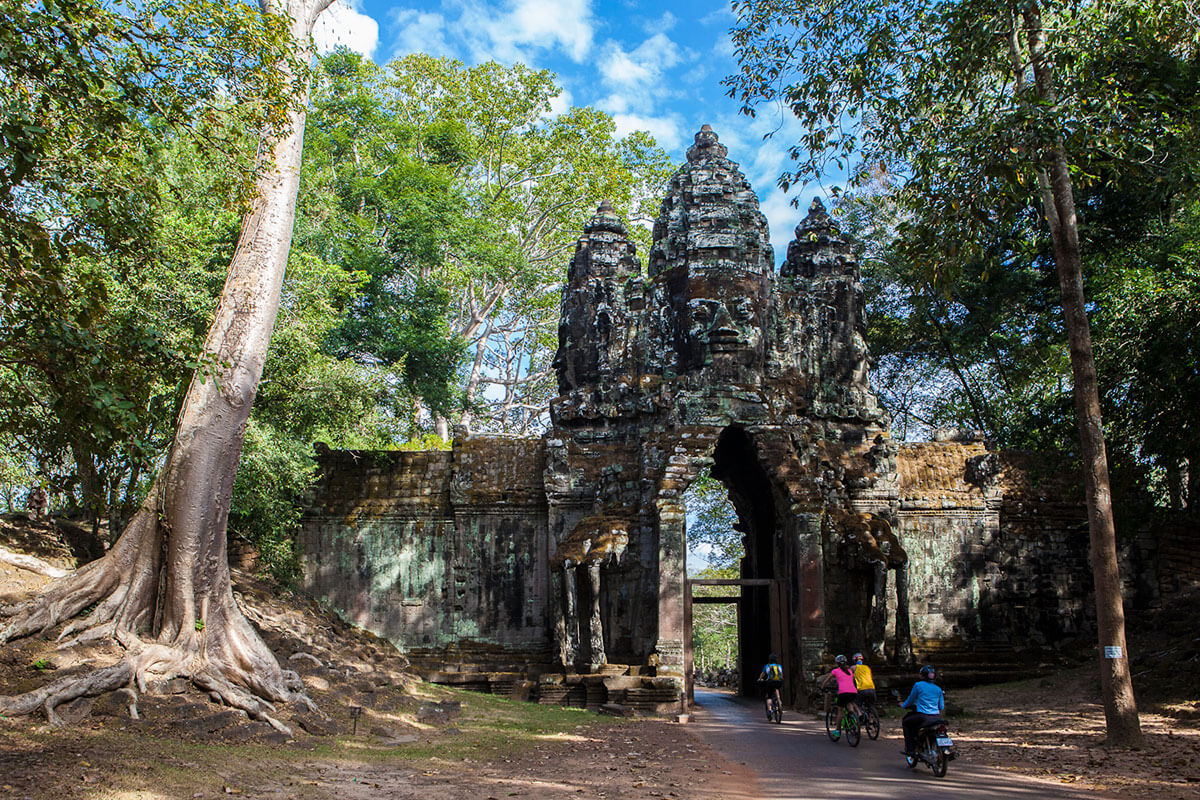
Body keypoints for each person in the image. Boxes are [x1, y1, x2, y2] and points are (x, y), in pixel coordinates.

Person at [900, 664, 946, 755]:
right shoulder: (938, 689)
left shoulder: (918, 685)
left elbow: (910, 700)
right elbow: (941, 707)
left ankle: (910, 749)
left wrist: (903, 705)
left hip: (923, 716)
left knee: (906, 722)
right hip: (936, 717)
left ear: (922, 675)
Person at [820, 654, 860, 720]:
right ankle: (853, 718)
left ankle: (837, 729)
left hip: (843, 692)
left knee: (840, 711)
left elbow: (827, 680)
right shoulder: (850, 671)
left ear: (837, 663)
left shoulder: (835, 671)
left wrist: (822, 687)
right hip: (853, 692)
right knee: (849, 703)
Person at [758, 653, 783, 718]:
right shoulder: (779, 666)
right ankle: (779, 701)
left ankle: (769, 710)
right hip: (778, 682)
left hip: (770, 682)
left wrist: (760, 679)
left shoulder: (767, 666)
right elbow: (781, 675)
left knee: (769, 697)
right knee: (777, 689)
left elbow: (762, 674)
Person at [852, 652, 876, 719]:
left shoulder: (853, 668)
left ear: (854, 660)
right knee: (870, 705)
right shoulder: (868, 668)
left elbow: (849, 677)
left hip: (862, 689)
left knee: (855, 703)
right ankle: (871, 721)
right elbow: (871, 677)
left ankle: (860, 714)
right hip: (872, 689)